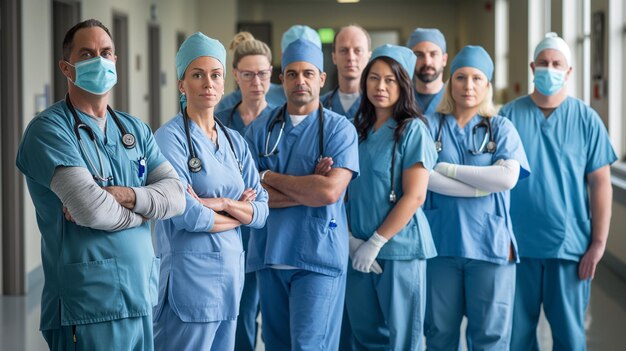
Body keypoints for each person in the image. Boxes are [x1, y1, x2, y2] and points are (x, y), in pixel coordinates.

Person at [15, 19, 185, 351]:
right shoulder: (50, 131)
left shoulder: (133, 129)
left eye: (106, 52)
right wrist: (146, 211)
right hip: (88, 306)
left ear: (116, 61)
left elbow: (177, 196)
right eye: (87, 54)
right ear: (67, 67)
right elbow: (90, 209)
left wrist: (127, 196)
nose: (100, 61)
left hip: (138, 297)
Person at [152, 32, 269, 351]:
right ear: (181, 84)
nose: (208, 83)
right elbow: (187, 214)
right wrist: (237, 214)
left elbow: (261, 211)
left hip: (229, 285)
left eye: (215, 75)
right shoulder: (169, 139)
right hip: (188, 287)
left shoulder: (234, 141)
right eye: (197, 74)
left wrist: (219, 203)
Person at [500, 32, 616, 351]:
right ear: (531, 66)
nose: (549, 69)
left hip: (570, 249)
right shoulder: (508, 117)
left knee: (569, 336)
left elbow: (600, 183)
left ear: (568, 71)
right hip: (517, 247)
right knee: (516, 336)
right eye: (543, 63)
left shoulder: (586, 120)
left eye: (556, 64)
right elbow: (493, 183)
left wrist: (598, 244)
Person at [244, 38, 359, 351]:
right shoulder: (259, 130)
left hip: (317, 258)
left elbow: (330, 192)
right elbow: (249, 195)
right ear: (281, 80)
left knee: (310, 346)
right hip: (270, 254)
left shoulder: (339, 130)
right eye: (292, 74)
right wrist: (309, 187)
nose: (300, 81)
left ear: (322, 78)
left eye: (308, 73)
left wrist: (268, 176)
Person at [422, 45, 531, 350]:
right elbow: (423, 178)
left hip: (491, 247)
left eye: (476, 78)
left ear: (487, 85)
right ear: (449, 82)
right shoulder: (430, 126)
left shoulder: (501, 127)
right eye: (460, 77)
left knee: (490, 339)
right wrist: (484, 185)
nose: (468, 86)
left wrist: (448, 169)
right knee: (439, 335)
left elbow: (507, 178)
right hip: (441, 246)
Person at [346, 44, 437, 350]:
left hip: (399, 250)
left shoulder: (412, 131)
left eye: (390, 80)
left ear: (404, 84)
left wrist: (375, 242)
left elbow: (415, 196)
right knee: (365, 335)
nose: (380, 86)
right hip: (357, 247)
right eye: (373, 78)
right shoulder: (357, 130)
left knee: (402, 339)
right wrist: (352, 239)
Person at [215, 31, 275, 351]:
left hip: (277, 229)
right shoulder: (220, 121)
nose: (256, 82)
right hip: (235, 230)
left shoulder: (284, 118)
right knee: (239, 313)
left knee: (277, 317)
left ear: (271, 74)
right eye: (248, 74)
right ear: (235, 75)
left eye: (262, 74)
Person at [216, 25, 321, 114]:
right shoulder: (229, 105)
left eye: (308, 72)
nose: (256, 83)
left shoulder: (288, 106)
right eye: (248, 74)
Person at [321, 25, 372, 121]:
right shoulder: (320, 105)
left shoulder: (377, 105)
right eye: (343, 50)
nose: (351, 57)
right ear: (334, 57)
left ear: (369, 56)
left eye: (358, 51)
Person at [406, 28, 448, 117]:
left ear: (444, 60)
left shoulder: (456, 101)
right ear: (410, 60)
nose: (427, 62)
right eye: (419, 55)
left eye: (433, 54)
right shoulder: (402, 100)